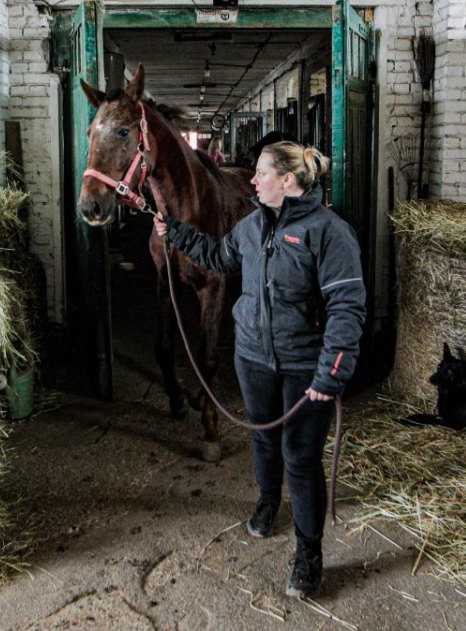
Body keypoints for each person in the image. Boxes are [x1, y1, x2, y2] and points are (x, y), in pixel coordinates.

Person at [153, 141, 366, 598]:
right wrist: (175, 231)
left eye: (260, 174)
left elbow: (348, 308)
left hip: (303, 364)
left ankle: (309, 552)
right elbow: (218, 255)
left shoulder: (330, 233)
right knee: (263, 439)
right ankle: (269, 502)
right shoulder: (252, 227)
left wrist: (332, 373)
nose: (251, 180)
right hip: (252, 357)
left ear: (286, 181)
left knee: (301, 458)